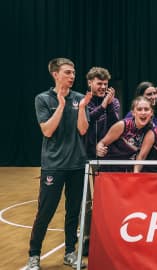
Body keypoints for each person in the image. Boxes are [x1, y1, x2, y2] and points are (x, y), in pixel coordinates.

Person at [28, 57, 91, 270]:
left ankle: (70, 253)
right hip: (53, 166)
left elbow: (83, 130)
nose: (72, 76)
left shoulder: (81, 98)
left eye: (73, 73)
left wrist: (81, 108)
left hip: (77, 165)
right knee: (45, 212)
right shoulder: (43, 99)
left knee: (73, 212)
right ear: (55, 74)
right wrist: (61, 106)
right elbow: (47, 130)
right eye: (67, 72)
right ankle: (34, 255)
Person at [83, 66, 120, 256]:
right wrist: (103, 105)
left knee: (107, 201)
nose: (103, 87)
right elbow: (86, 121)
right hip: (87, 158)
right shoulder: (83, 102)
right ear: (90, 82)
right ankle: (88, 240)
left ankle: (110, 239)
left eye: (105, 84)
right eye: (99, 83)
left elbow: (116, 125)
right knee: (88, 203)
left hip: (108, 158)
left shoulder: (114, 102)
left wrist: (110, 104)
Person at [96, 96, 153, 171]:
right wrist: (99, 148)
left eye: (146, 109)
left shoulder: (150, 131)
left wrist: (136, 175)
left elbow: (141, 157)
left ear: (151, 112)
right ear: (133, 113)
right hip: (109, 169)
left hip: (127, 171)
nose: (143, 112)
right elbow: (102, 143)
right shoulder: (122, 125)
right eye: (139, 109)